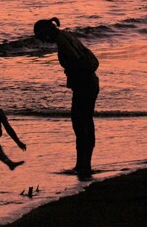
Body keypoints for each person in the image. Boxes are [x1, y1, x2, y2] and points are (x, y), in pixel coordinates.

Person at [33, 17, 99, 178]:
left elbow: (76, 59)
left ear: (46, 31)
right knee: (86, 122)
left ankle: (82, 165)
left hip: (84, 84)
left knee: (79, 124)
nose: (41, 40)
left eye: (40, 36)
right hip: (90, 82)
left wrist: (69, 71)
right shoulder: (66, 35)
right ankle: (85, 164)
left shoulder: (62, 40)